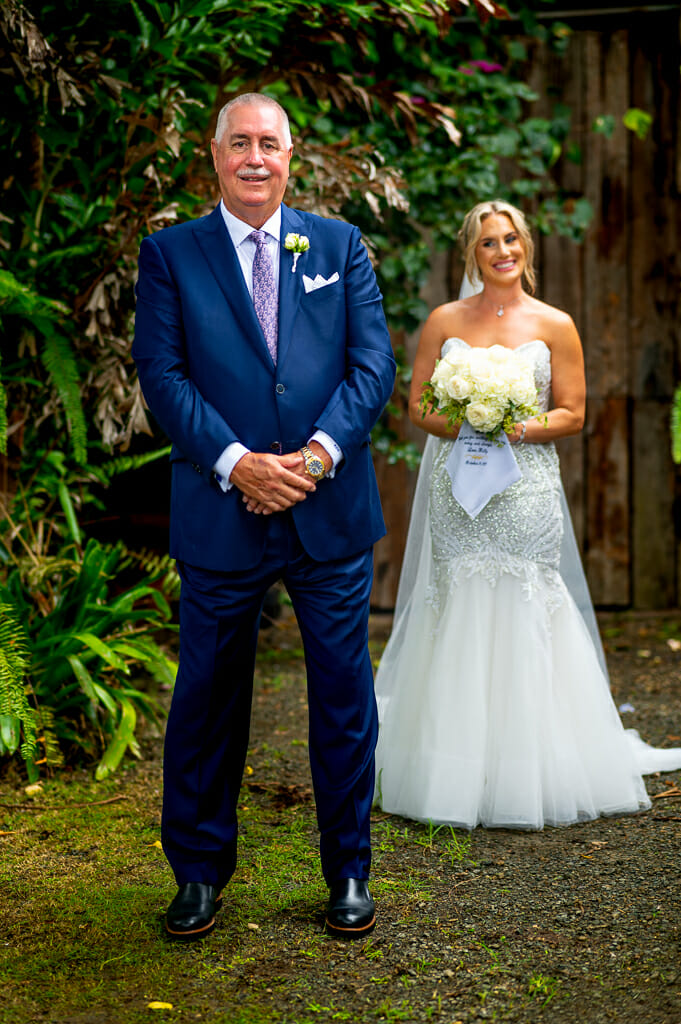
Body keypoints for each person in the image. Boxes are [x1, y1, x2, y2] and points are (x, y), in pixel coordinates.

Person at [132, 93, 395, 939]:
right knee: (208, 696)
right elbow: (163, 375)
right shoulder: (170, 254)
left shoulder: (338, 245)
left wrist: (315, 457)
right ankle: (198, 873)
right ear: (212, 155)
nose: (254, 157)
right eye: (237, 142)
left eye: (268, 143)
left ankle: (348, 866)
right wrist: (237, 463)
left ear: (291, 154)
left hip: (327, 509)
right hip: (222, 509)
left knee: (344, 694)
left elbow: (372, 367)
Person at [373, 199, 681, 830]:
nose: (503, 251)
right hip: (460, 490)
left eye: (511, 239)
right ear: (472, 254)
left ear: (527, 247)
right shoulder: (443, 320)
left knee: (527, 601)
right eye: (489, 243)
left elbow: (573, 411)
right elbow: (418, 406)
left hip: (528, 490)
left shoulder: (555, 324)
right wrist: (470, 421)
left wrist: (515, 425)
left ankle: (532, 766)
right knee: (457, 601)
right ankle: (453, 766)